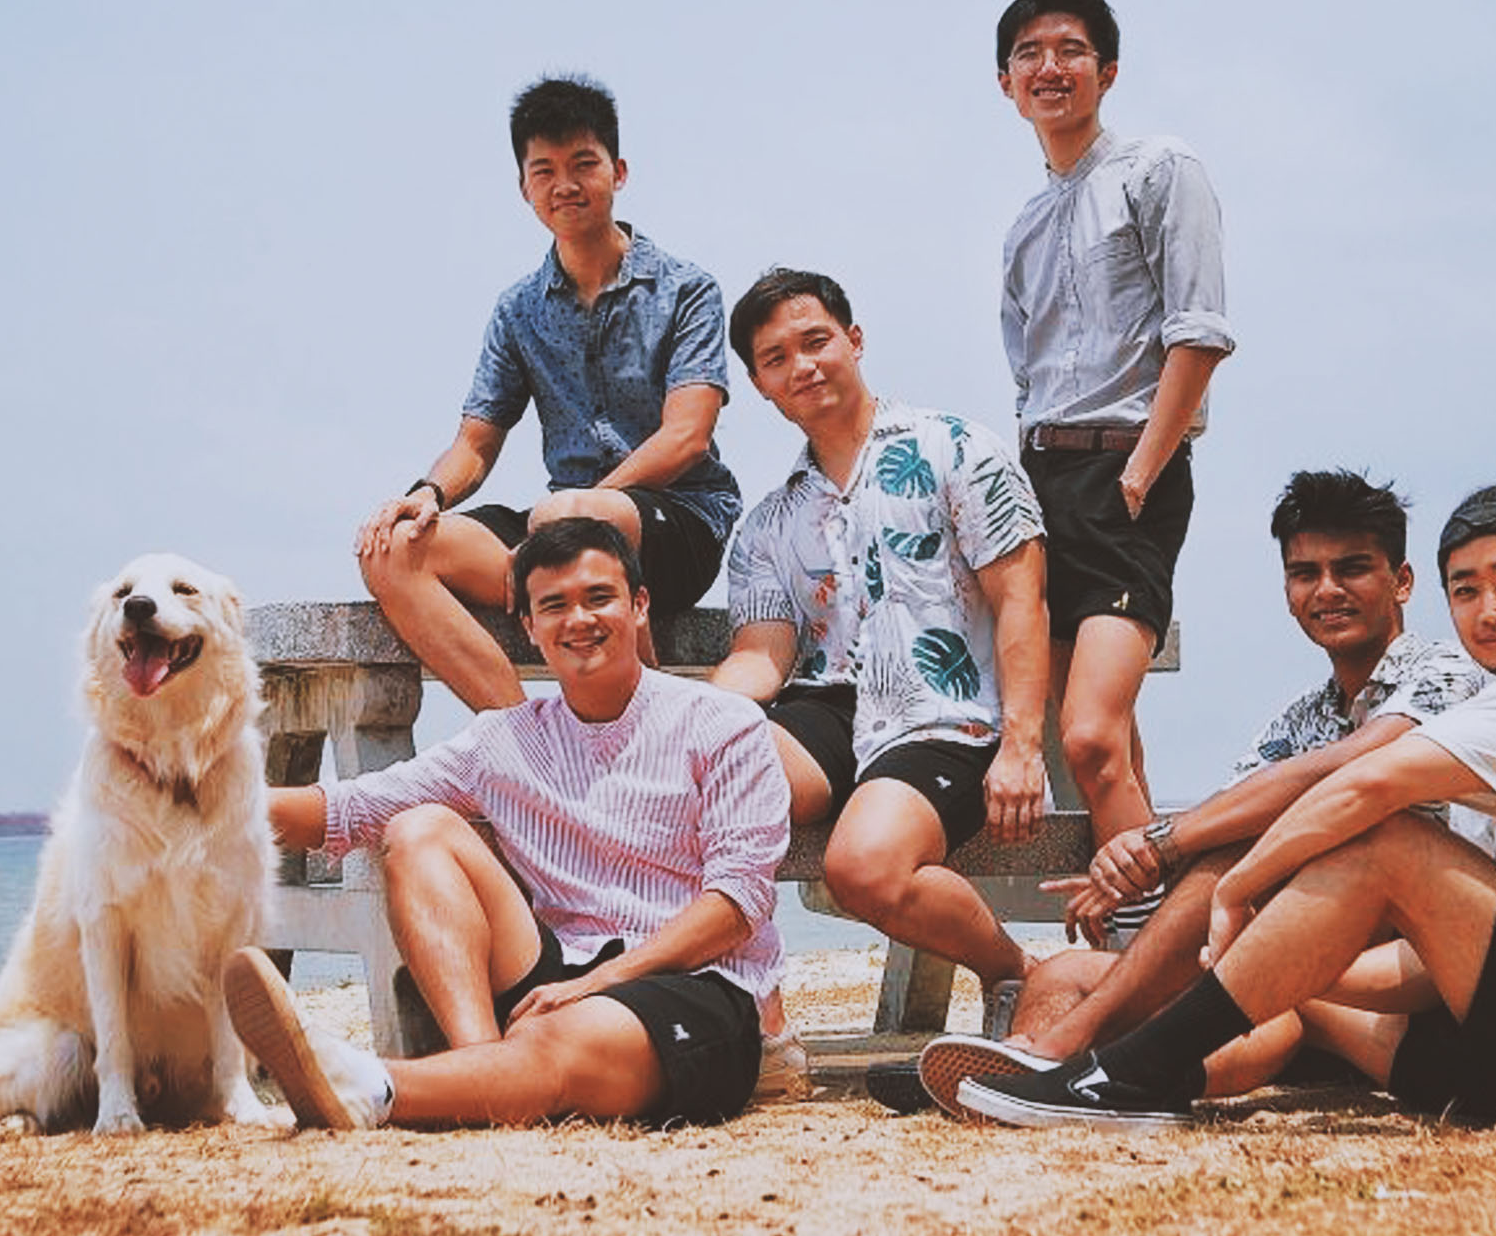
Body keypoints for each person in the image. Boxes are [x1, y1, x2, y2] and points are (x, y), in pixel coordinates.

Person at [954, 483, 1496, 1131]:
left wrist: (1235, 889)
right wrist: (1279, 960)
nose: (1491, 611)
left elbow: (1365, 783)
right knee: (1097, 975)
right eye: (1468, 590)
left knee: (1384, 840)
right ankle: (1053, 1072)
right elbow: (1435, 961)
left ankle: (1122, 1076)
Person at [914, 469, 1485, 1112]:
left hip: (1412, 970)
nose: (1327, 590)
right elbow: (1232, 809)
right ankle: (1019, 1068)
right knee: (1062, 973)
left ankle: (1062, 1059)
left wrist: (1161, 843)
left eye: (1351, 569)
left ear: (1401, 581)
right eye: (1305, 574)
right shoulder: (1302, 717)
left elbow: (1353, 767)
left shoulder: (1446, 671)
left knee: (1231, 874)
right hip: (1295, 967)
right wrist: (1126, 867)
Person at [224, 517, 788, 1129]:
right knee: (419, 831)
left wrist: (602, 980)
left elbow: (738, 903)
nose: (578, 619)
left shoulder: (723, 724)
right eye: (554, 605)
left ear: (639, 606)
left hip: (692, 982)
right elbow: (349, 809)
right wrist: (199, 800)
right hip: (553, 973)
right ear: (530, 626)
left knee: (566, 1040)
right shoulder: (504, 740)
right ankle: (482, 1070)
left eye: (599, 597)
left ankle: (369, 1084)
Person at [709, 268, 1049, 1011]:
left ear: (854, 340)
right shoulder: (768, 523)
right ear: (760, 386)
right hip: (827, 710)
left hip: (945, 714)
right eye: (776, 359)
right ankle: (750, 1015)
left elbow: (1021, 600)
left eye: (816, 341)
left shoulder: (956, 448)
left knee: (862, 867)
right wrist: (664, 713)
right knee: (700, 781)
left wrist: (1023, 747)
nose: (802, 366)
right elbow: (760, 660)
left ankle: (1016, 974)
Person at [354, 75, 741, 710]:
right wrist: (424, 495)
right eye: (545, 171)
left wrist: (567, 523)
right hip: (556, 531)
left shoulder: (685, 290)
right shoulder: (518, 310)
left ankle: (651, 730)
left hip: (674, 525)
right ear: (524, 188)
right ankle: (525, 744)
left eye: (583, 164)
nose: (565, 184)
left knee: (574, 515)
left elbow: (686, 437)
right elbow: (475, 445)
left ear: (618, 172)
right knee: (393, 550)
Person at [995, 0, 1235, 940]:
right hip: (1041, 483)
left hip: (1128, 472)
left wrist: (1141, 471)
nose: (1050, 67)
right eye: (1029, 54)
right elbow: (1028, 374)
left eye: (1070, 49)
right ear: (1006, 82)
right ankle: (1144, 943)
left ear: (1108, 70)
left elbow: (1200, 331)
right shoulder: (1023, 225)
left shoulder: (1159, 169)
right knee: (1107, 751)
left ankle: (1151, 948)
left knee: (1089, 736)